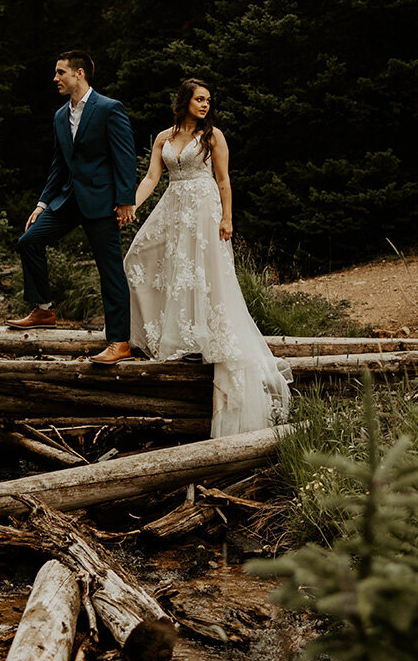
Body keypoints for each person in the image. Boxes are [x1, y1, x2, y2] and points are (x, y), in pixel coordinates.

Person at [124, 78, 292, 436]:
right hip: (173, 204)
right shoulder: (162, 138)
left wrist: (227, 217)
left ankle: (203, 338)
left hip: (203, 207)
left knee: (202, 273)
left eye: (208, 100)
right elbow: (153, 176)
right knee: (139, 257)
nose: (205, 105)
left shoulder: (212, 136)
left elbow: (224, 179)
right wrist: (131, 206)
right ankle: (165, 336)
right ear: (184, 100)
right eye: (199, 99)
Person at [9, 50, 137, 365]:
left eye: (60, 72)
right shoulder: (59, 116)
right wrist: (42, 203)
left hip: (102, 203)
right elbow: (59, 164)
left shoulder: (109, 109)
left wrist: (125, 201)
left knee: (110, 273)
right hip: (66, 200)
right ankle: (43, 309)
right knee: (29, 241)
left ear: (79, 73)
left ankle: (119, 342)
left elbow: (124, 156)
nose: (55, 79)